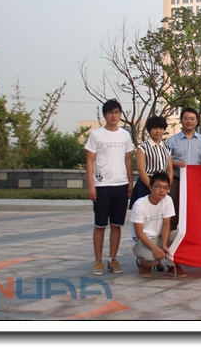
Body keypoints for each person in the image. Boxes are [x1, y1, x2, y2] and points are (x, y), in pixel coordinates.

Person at [84, 99, 134, 276]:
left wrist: (130, 182)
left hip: (121, 185)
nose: (114, 115)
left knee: (116, 225)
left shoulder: (125, 135)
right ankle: (98, 260)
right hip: (102, 186)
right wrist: (91, 185)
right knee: (100, 225)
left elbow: (127, 159)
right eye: (111, 112)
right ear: (105, 115)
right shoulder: (96, 135)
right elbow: (89, 160)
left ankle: (113, 258)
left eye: (117, 112)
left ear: (120, 114)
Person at [129, 171, 188, 279]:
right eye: (158, 186)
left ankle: (172, 265)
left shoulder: (168, 200)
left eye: (165, 188)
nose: (162, 190)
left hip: (159, 237)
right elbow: (139, 233)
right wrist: (154, 248)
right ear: (151, 187)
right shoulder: (139, 205)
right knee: (153, 260)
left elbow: (166, 225)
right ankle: (142, 263)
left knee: (184, 235)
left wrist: (164, 244)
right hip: (141, 241)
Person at [165, 107, 201, 230]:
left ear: (197, 121)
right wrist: (175, 164)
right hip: (176, 180)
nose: (189, 121)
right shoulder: (172, 140)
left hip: (195, 182)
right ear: (181, 120)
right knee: (173, 210)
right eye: (186, 118)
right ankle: (172, 238)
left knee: (194, 210)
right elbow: (165, 162)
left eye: (192, 119)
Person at [130, 115, 173, 209]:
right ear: (150, 130)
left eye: (161, 128)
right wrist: (152, 186)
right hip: (146, 183)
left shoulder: (167, 148)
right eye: (155, 128)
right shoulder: (142, 147)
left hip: (162, 183)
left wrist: (167, 186)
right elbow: (141, 169)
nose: (158, 131)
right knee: (144, 210)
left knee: (161, 211)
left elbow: (170, 169)